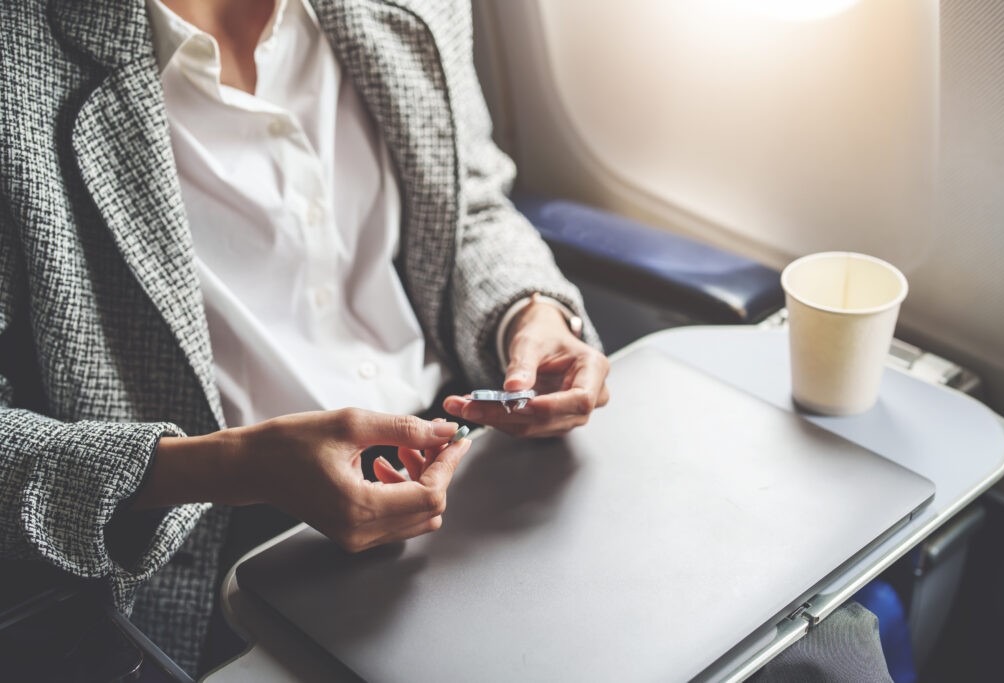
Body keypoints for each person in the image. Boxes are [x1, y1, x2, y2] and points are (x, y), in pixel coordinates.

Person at [0, 0, 609, 674]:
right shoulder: (17, 65)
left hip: (466, 453)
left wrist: (531, 315)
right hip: (214, 531)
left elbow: (470, 204)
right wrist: (229, 467)